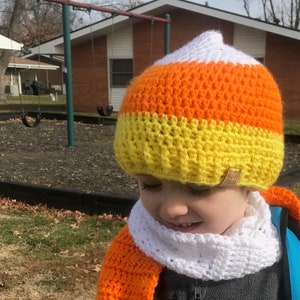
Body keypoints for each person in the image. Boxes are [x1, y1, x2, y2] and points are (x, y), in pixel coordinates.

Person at [95, 30, 300, 299]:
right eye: (150, 184)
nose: (171, 208)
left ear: (249, 183)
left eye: (198, 187)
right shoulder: (137, 250)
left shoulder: (287, 246)